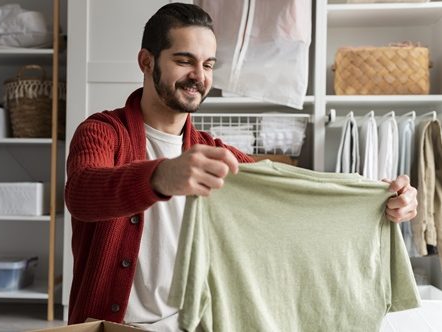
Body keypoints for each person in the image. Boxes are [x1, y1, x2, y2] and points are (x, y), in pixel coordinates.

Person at [65, 2, 418, 330]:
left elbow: (292, 193)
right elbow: (82, 193)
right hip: (111, 326)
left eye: (207, 65)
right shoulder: (101, 133)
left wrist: (379, 199)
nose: (198, 76)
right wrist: (160, 176)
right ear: (146, 61)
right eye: (184, 60)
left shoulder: (213, 151)